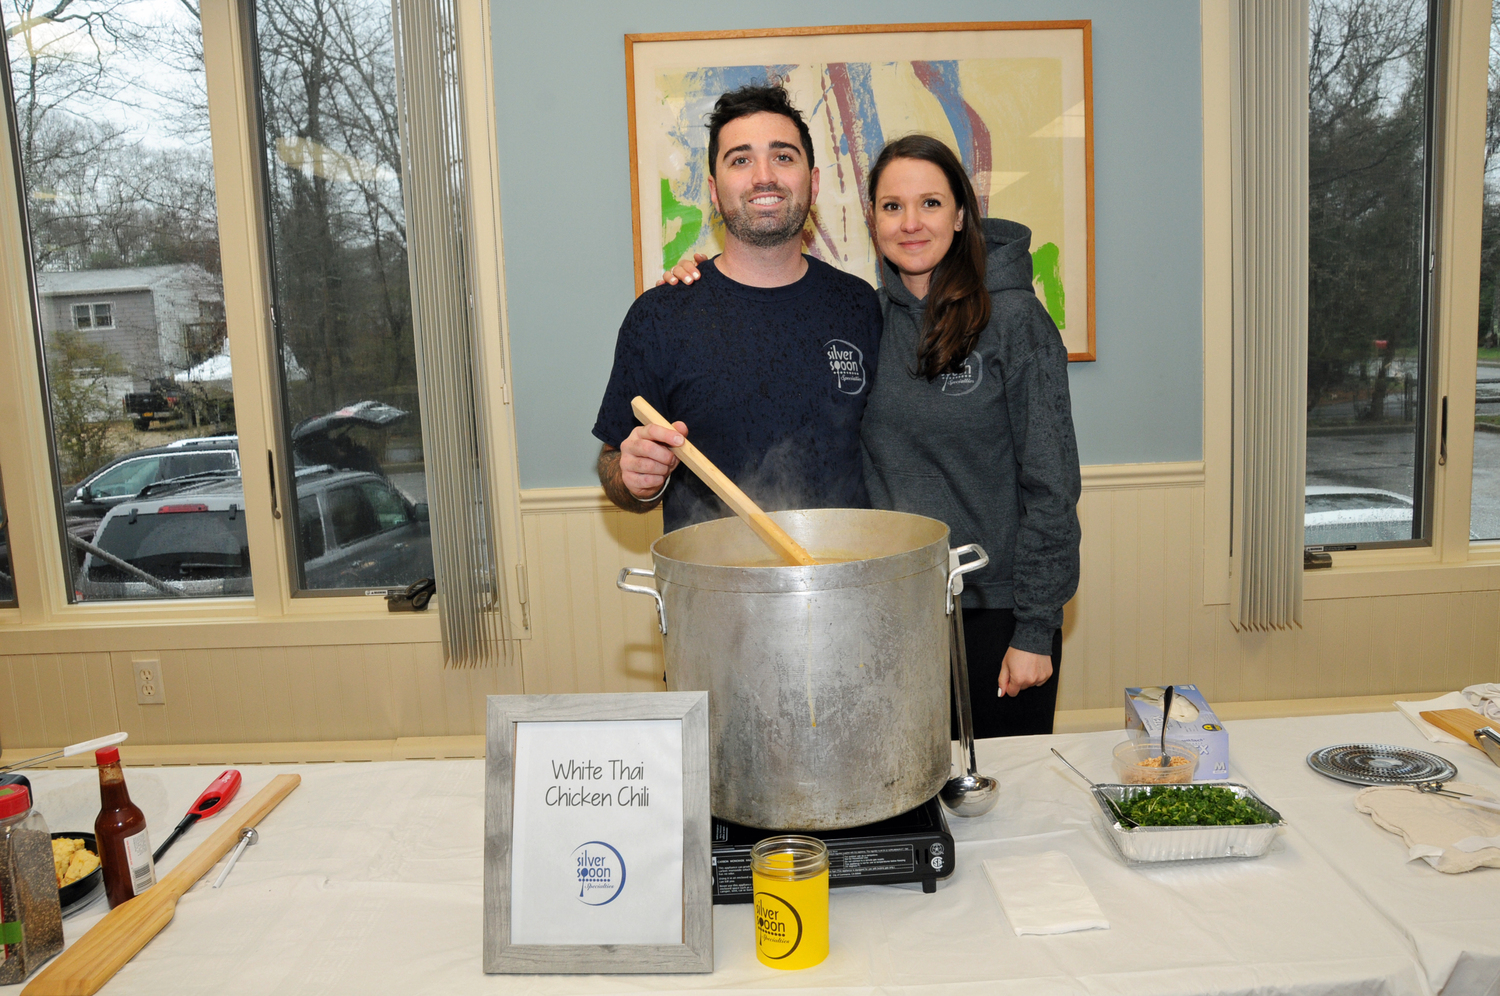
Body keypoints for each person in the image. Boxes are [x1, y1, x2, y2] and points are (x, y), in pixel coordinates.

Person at [662, 135, 1080, 737]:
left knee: (1000, 810)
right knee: (901, 797)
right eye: (891, 207)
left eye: (930, 203)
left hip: (994, 614)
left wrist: (1036, 627)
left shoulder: (1014, 322)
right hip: (885, 613)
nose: (910, 223)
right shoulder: (863, 318)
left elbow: (1052, 484)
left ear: (962, 215)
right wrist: (697, 282)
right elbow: (768, 319)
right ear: (872, 221)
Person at [593, 84, 882, 532]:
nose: (764, 176)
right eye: (741, 159)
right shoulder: (660, 316)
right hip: (710, 590)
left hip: (845, 582)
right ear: (713, 189)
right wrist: (633, 477)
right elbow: (614, 465)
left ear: (814, 181)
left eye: (783, 156)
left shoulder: (861, 305)